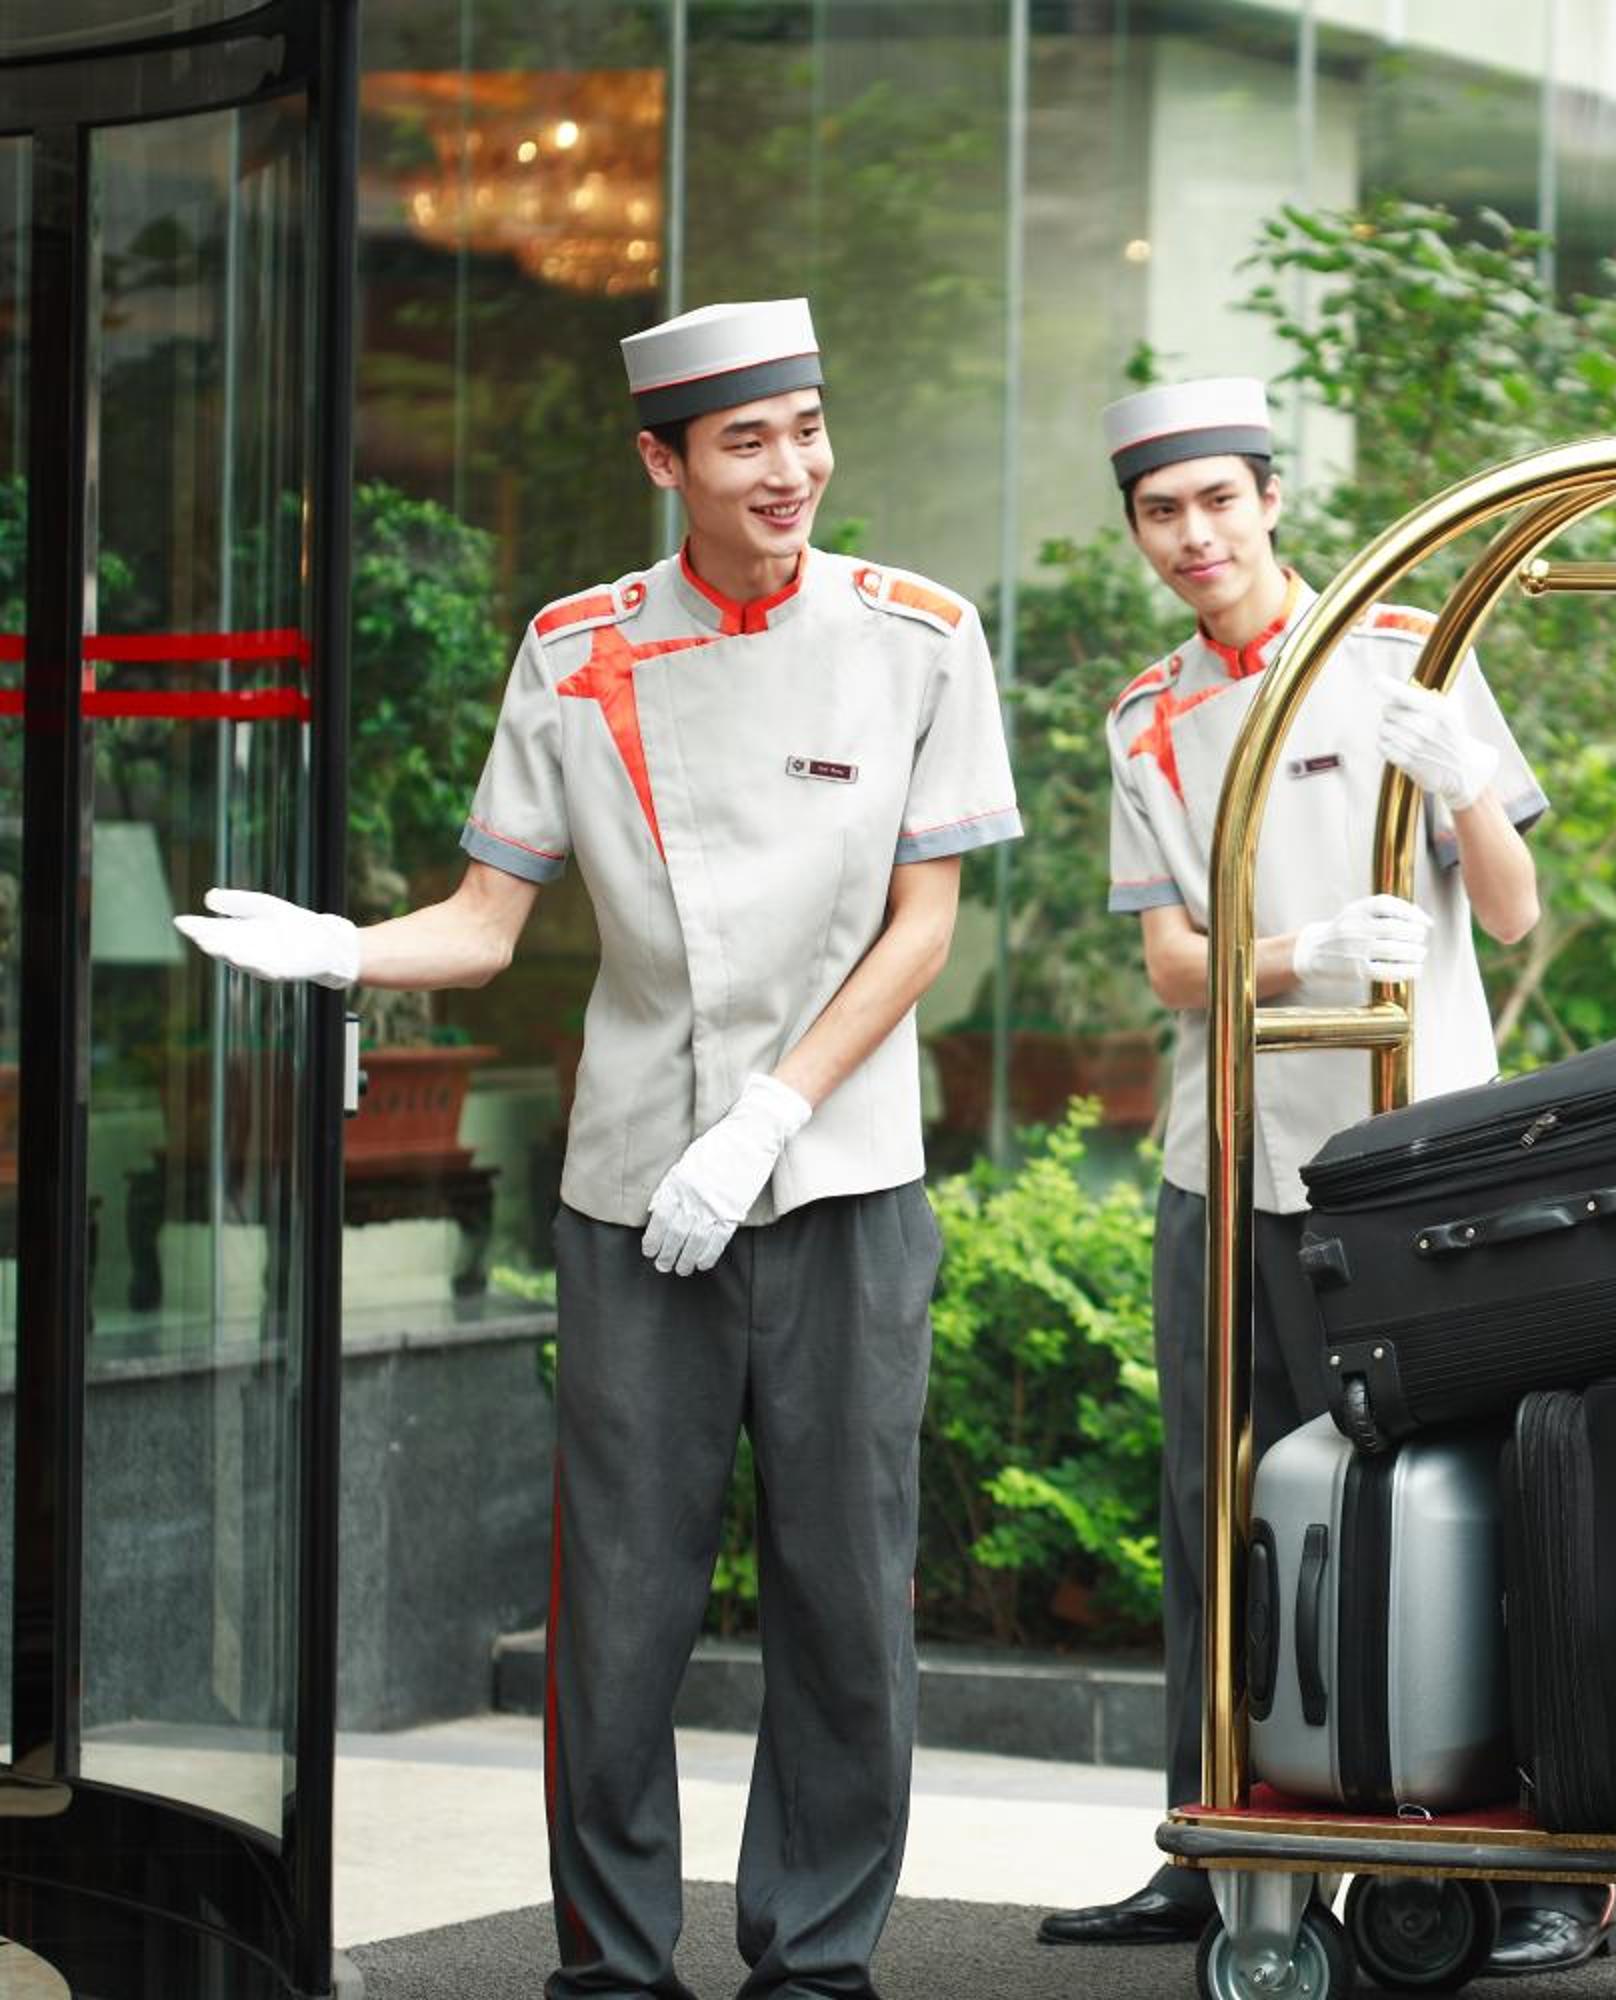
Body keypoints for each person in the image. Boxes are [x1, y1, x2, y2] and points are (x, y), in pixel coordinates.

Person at [177, 298, 1019, 1999]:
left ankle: (817, 1961)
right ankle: (612, 1966)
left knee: (846, 1594)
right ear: (663, 461)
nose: (790, 469)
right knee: (620, 1606)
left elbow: (923, 927)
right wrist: (346, 950)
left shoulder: (920, 634)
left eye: (806, 429)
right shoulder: (576, 651)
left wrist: (772, 1115)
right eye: (745, 441)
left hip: (843, 1180)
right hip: (636, 1190)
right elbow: (486, 923)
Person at [1034, 379, 1616, 1976]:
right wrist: (1300, 952)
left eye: (1218, 500)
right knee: (1216, 1509)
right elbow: (1175, 965)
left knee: (1465, 1500)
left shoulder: (1405, 648)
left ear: (1272, 498)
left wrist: (1462, 779)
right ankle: (1215, 1846)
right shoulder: (1147, 716)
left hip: (1413, 1171)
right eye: (1162, 512)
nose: (1194, 536)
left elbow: (1513, 908)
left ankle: (1538, 1870)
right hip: (1228, 1167)